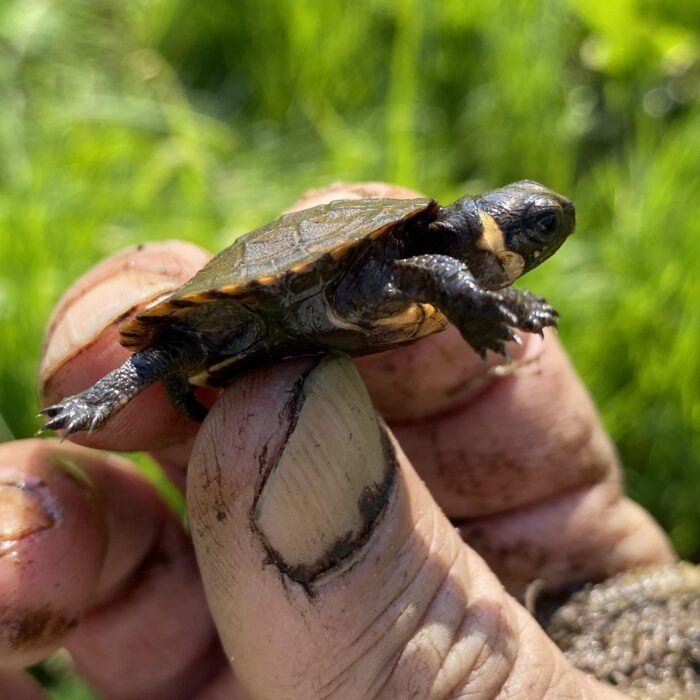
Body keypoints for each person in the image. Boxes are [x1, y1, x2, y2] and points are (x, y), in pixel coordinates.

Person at [0, 184, 674, 699]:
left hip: (291, 338)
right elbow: (431, 276)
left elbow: (444, 280)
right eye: (542, 229)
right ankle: (100, 397)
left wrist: (499, 304)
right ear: (487, 227)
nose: (550, 238)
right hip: (261, 302)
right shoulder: (410, 263)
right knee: (177, 348)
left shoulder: (439, 269)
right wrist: (479, 312)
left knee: (195, 361)